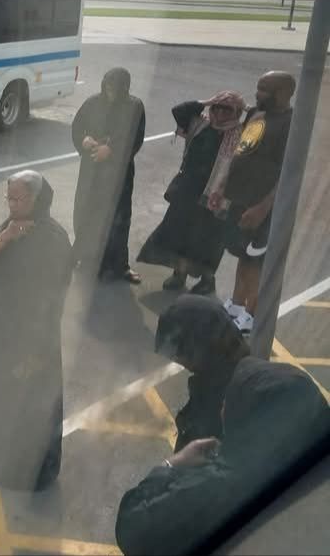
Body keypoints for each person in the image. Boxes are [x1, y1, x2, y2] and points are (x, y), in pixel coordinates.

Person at [115, 357, 330, 556]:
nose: (223, 405)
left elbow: (131, 529)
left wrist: (173, 463)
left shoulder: (218, 486)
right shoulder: (307, 463)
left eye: (231, 397)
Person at [0, 170, 74, 491]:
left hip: (32, 336)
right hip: (0, 329)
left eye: (19, 199)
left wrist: (34, 347)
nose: (12, 205)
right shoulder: (11, 227)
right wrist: (6, 238)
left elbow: (53, 293)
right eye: (9, 198)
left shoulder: (53, 238)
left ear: (37, 199)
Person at [137, 92, 246, 294]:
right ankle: (179, 274)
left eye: (227, 109)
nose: (220, 113)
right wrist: (207, 102)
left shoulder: (241, 134)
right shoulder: (201, 124)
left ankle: (207, 279)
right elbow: (179, 111)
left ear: (237, 113)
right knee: (181, 233)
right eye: (217, 108)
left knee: (210, 240)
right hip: (187, 191)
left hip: (215, 198)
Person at [221, 71, 295, 333]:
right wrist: (222, 186)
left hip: (263, 208)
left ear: (284, 93)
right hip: (241, 201)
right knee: (243, 256)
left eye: (264, 89)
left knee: (256, 263)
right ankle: (236, 305)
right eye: (258, 87)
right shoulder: (255, 113)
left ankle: (252, 316)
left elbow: (288, 172)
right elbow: (241, 151)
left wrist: (264, 207)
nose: (258, 93)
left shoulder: (291, 124)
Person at [71, 67, 146, 283]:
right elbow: (78, 127)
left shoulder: (134, 106)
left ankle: (118, 264)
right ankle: (86, 257)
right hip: (92, 170)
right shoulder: (93, 102)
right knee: (86, 212)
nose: (110, 92)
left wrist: (111, 152)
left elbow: (135, 137)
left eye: (115, 88)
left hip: (118, 175)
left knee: (118, 218)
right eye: (107, 87)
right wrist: (84, 140)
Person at [154, 295, 250, 452]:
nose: (179, 362)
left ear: (199, 349)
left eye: (178, 355)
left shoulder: (216, 402)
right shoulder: (227, 360)